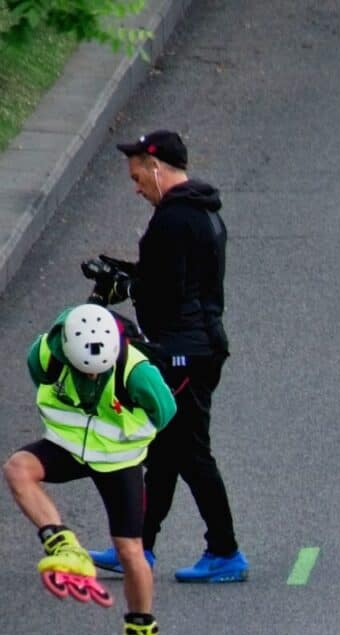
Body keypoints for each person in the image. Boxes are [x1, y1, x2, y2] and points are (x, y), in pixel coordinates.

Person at [88, 129, 244, 583]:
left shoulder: (174, 220)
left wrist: (126, 287)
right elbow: (174, 276)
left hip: (183, 354)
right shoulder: (200, 213)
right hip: (196, 348)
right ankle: (138, 547)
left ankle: (225, 551)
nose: (136, 188)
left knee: (189, 453)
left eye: (138, 178)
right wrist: (129, 274)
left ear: (156, 167)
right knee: (164, 451)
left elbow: (167, 289)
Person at [3, 305, 176, 635]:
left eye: (99, 370)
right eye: (84, 370)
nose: (93, 375)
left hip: (117, 458)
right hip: (66, 447)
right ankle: (61, 541)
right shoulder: (46, 353)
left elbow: (165, 412)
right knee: (17, 468)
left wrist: (126, 437)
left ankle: (141, 634)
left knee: (131, 550)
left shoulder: (138, 372)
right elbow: (38, 377)